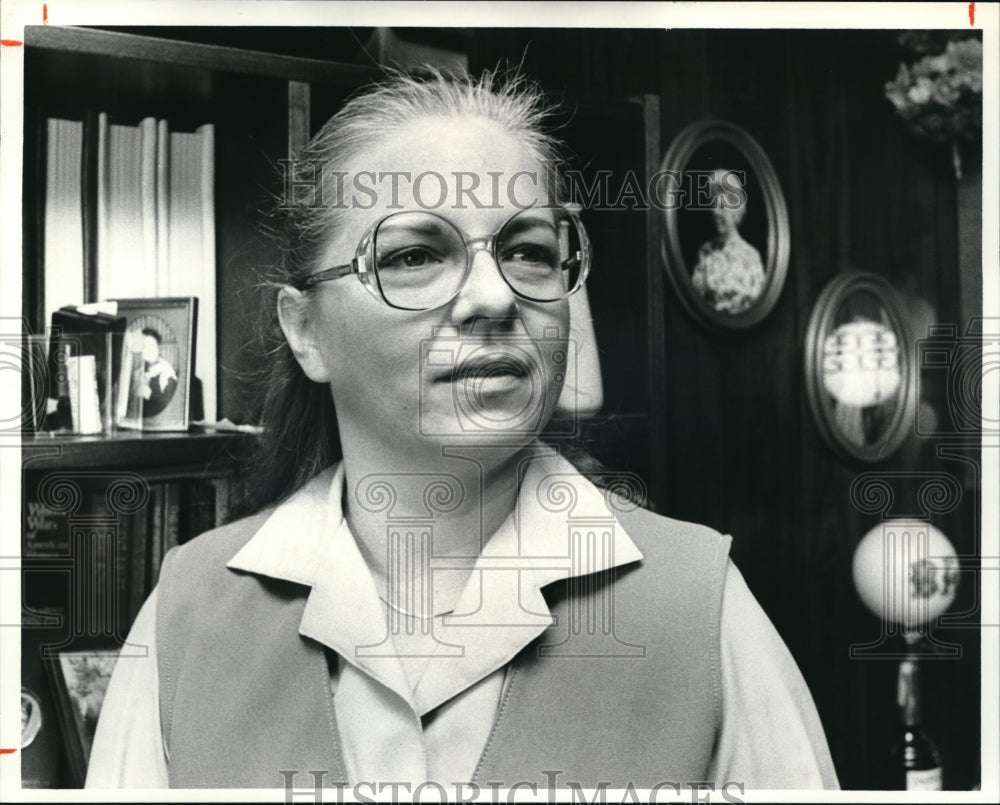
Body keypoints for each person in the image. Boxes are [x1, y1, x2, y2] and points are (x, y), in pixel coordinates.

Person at [86, 70, 839, 793]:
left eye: (528, 252)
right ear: (306, 330)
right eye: (414, 254)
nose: (493, 294)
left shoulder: (700, 607)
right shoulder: (186, 617)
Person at [691, 169, 766, 315]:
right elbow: (695, 300)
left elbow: (757, 308)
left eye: (721, 207)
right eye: (713, 207)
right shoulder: (706, 252)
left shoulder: (751, 256)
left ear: (735, 211)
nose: (716, 213)